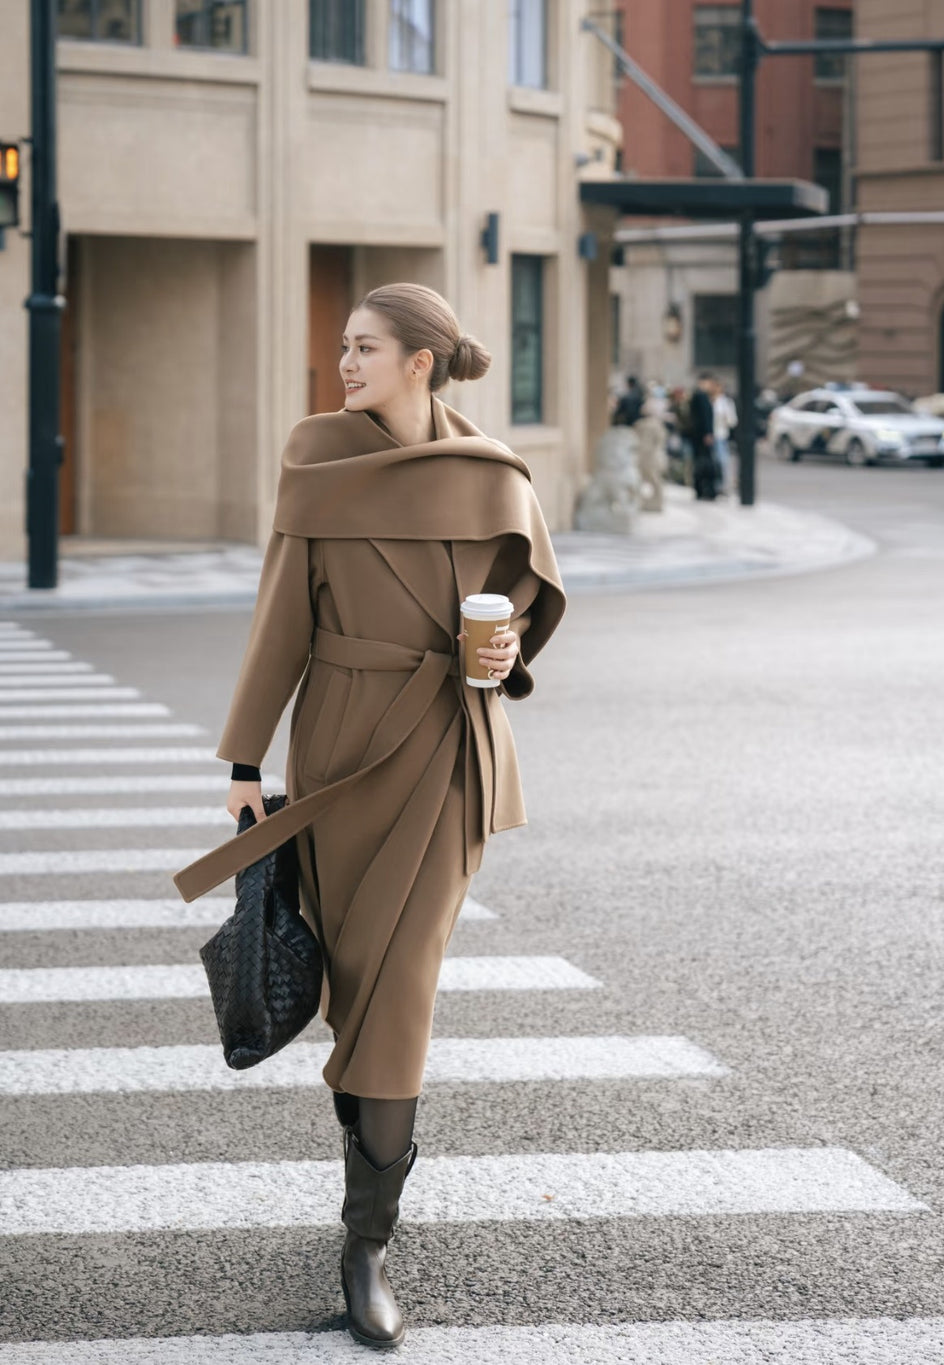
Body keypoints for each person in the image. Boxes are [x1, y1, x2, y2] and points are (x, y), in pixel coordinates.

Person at [178, 283, 566, 1350]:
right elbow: (281, 615)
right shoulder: (319, 451)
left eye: (363, 348)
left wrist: (502, 654)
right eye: (343, 347)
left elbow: (527, 600)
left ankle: (366, 1243)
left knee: (398, 996)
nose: (343, 363)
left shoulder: (490, 475)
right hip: (344, 748)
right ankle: (370, 1164)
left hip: (445, 753)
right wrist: (246, 760)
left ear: (420, 363)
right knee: (354, 989)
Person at [689, 372, 718, 499]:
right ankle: (705, 489)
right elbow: (705, 417)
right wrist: (708, 433)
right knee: (704, 463)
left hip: (697, 435)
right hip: (702, 436)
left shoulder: (697, 396)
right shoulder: (701, 396)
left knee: (700, 463)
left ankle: (700, 489)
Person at [712, 378, 737, 497]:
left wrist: (724, 418)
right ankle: (715, 485)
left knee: (722, 461)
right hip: (710, 436)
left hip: (721, 435)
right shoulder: (710, 400)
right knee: (713, 462)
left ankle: (724, 486)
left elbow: (732, 421)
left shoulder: (726, 402)